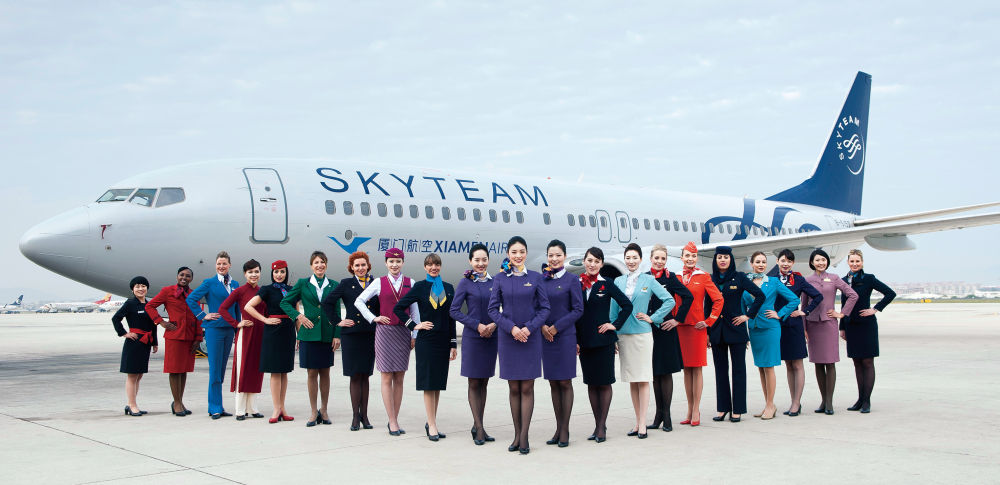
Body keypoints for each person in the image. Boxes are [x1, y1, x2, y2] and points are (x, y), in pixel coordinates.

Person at [487, 236, 551, 455]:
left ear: (526, 253)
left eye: (521, 251)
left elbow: (545, 309)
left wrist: (529, 328)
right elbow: (493, 310)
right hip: (508, 338)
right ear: (508, 254)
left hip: (530, 338)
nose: (518, 255)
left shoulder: (535, 278)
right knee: (514, 388)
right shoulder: (500, 279)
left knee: (527, 387)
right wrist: (512, 328)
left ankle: (524, 437)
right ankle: (517, 434)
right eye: (514, 252)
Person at [354, 248, 419, 436]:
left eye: (398, 261)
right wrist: (373, 318)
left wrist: (415, 334)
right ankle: (392, 420)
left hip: (403, 332)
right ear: (386, 263)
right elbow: (359, 301)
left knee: (399, 378)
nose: (394, 265)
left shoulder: (411, 283)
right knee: (386, 377)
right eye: (391, 261)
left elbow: (415, 311)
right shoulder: (379, 282)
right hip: (384, 333)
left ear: (403, 263)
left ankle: (394, 418)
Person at [393, 253, 457, 442]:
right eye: (429, 265)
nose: (433, 267)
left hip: (443, 341)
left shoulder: (448, 288)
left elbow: (451, 317)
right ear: (425, 267)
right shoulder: (419, 287)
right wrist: (414, 325)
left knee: (437, 384)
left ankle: (432, 422)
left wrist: (453, 343)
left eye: (436, 264)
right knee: (429, 384)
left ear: (440, 266)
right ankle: (432, 425)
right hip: (426, 341)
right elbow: (398, 308)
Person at [612, 243, 673, 439]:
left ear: (640, 259)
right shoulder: (618, 281)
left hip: (642, 335)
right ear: (624, 259)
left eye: (634, 258)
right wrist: (614, 333)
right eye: (628, 258)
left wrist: (653, 318)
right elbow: (613, 308)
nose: (631, 261)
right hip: (624, 335)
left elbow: (669, 300)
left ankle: (643, 423)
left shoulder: (649, 279)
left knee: (644, 378)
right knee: (632, 379)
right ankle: (638, 421)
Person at [575, 247, 631, 443]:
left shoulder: (606, 283)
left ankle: (601, 427)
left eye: (597, 261)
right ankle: (598, 424)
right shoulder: (578, 284)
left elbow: (627, 305)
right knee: (591, 384)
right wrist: (575, 339)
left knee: (604, 383)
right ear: (584, 261)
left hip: (604, 341)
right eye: (590, 260)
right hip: (585, 342)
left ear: (601, 264)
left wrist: (614, 325)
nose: (592, 264)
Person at [281, 251, 341, 427]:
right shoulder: (303, 283)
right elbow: (285, 302)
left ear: (326, 265)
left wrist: (337, 334)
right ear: (311, 266)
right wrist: (298, 316)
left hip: (327, 334)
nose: (319, 265)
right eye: (316, 262)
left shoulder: (334, 285)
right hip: (309, 334)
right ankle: (314, 411)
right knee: (312, 373)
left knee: (325, 373)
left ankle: (324, 410)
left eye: (322, 262)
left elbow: (337, 311)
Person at [322, 251, 378, 430]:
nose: (360, 268)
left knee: (365, 376)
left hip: (370, 334)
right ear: (352, 268)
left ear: (368, 266)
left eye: (363, 265)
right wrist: (338, 321)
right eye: (357, 265)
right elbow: (327, 303)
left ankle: (365, 416)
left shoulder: (376, 283)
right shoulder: (346, 284)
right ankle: (355, 416)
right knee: (355, 376)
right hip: (352, 335)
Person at [449, 243, 498, 445]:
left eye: (484, 259)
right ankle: (479, 428)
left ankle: (479, 424)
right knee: (474, 382)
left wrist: (495, 324)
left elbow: (503, 308)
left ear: (488, 260)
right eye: (476, 260)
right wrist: (476, 325)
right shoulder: (465, 283)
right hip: (473, 337)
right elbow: (454, 310)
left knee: (484, 382)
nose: (480, 263)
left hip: (491, 337)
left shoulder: (495, 282)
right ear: (470, 261)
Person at [710, 246, 765, 423]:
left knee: (738, 370)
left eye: (726, 257)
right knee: (720, 371)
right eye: (720, 257)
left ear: (731, 259)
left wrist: (747, 315)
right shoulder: (710, 279)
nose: (723, 260)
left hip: (736, 329)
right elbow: (707, 306)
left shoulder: (739, 277)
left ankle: (738, 409)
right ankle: (723, 408)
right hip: (717, 331)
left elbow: (760, 296)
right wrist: (708, 330)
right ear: (715, 260)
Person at [801, 249, 858, 415]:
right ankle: (823, 401)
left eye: (823, 260)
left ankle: (829, 402)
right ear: (812, 263)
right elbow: (804, 305)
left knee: (830, 362)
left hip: (828, 324)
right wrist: (804, 327)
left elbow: (852, 295)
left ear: (827, 262)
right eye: (817, 260)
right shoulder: (807, 280)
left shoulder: (834, 278)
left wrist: (842, 313)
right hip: (812, 324)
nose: (821, 263)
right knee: (818, 363)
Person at [743, 252, 800, 420]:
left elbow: (794, 300)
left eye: (763, 262)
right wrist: (743, 332)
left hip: (770, 327)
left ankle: (770, 404)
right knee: (761, 367)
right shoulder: (745, 283)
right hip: (754, 328)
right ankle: (768, 404)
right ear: (752, 264)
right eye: (757, 262)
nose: (761, 265)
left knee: (768, 366)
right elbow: (742, 306)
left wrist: (780, 314)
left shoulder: (773, 282)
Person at [767, 249, 823, 416]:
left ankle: (796, 403)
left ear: (793, 263)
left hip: (794, 325)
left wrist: (804, 312)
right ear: (777, 261)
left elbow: (818, 296)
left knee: (797, 364)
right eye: (783, 260)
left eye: (789, 261)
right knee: (788, 364)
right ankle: (793, 401)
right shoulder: (771, 279)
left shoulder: (798, 279)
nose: (786, 264)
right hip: (778, 325)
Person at [540, 240, 584, 447]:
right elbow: (536, 307)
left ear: (564, 256)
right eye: (551, 255)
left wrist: (556, 327)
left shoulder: (572, 280)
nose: (554, 259)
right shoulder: (542, 280)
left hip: (564, 336)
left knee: (565, 382)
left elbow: (578, 309)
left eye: (558, 255)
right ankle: (558, 428)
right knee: (553, 383)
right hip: (546, 337)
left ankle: (565, 429)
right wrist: (542, 327)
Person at [186, 251, 240, 419]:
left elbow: (236, 308)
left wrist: (238, 328)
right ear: (215, 265)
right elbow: (191, 299)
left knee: (222, 369)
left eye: (224, 263)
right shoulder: (209, 283)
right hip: (214, 329)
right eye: (219, 264)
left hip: (229, 329)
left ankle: (219, 405)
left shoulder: (235, 284)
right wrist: (203, 315)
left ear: (229, 265)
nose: (221, 266)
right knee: (215, 369)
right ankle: (214, 406)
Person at [841, 249, 896, 413]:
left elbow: (890, 293)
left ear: (862, 262)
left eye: (857, 261)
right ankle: (859, 399)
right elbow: (844, 305)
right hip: (851, 325)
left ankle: (867, 401)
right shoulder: (843, 281)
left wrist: (875, 309)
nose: (855, 264)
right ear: (848, 262)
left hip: (866, 325)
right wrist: (842, 327)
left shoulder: (869, 279)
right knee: (857, 363)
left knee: (867, 362)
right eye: (852, 261)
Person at [675, 242, 723, 426]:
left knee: (697, 369)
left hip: (697, 328)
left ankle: (696, 409)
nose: (690, 259)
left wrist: (709, 321)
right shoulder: (676, 276)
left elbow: (718, 299)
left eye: (693, 256)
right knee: (686, 369)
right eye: (687, 255)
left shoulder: (703, 276)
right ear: (682, 258)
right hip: (680, 328)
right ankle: (689, 408)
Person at [646, 244, 693, 432]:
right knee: (655, 373)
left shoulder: (670, 278)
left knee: (665, 373)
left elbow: (688, 297)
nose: (659, 261)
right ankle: (658, 416)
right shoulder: (645, 278)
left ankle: (667, 416)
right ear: (651, 259)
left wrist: (677, 319)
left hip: (666, 329)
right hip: (650, 330)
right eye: (656, 258)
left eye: (663, 259)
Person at [242, 260, 295, 423]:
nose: (279, 275)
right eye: (276, 272)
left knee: (284, 371)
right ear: (272, 273)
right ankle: (276, 408)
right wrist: (265, 320)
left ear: (286, 273)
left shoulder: (292, 290)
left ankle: (283, 407)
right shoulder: (267, 289)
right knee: (275, 371)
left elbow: (296, 311)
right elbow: (248, 306)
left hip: (288, 330)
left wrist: (299, 335)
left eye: (282, 272)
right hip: (273, 331)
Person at [145, 267, 201, 416]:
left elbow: (198, 317)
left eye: (188, 276)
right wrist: (161, 322)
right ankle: (176, 403)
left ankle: (180, 401)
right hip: (174, 336)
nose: (184, 278)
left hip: (190, 337)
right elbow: (149, 306)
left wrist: (198, 338)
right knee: (175, 370)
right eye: (182, 275)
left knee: (184, 370)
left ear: (191, 279)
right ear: (177, 276)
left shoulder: (194, 294)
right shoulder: (167, 291)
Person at [218, 259, 266, 420]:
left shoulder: (262, 292)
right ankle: (240, 410)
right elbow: (222, 309)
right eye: (250, 272)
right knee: (243, 370)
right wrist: (236, 323)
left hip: (260, 334)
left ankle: (253, 408)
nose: (254, 275)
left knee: (256, 371)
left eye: (256, 271)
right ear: (245, 274)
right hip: (245, 334)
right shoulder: (239, 291)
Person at [112, 276, 157, 416]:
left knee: (139, 375)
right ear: (132, 289)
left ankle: (131, 403)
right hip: (134, 343)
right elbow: (116, 318)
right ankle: (132, 405)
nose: (140, 289)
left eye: (143, 286)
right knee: (132, 375)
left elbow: (153, 325)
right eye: (137, 286)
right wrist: (124, 333)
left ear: (147, 288)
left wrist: (154, 342)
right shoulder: (130, 303)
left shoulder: (149, 305)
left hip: (145, 343)